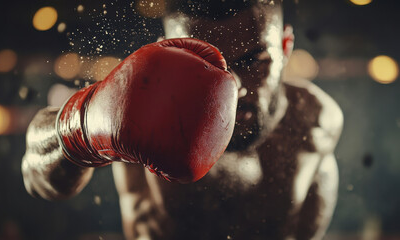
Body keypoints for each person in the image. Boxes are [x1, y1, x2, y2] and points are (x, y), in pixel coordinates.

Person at [22, 0, 343, 239]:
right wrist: (83, 124)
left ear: (285, 48)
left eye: (254, 62)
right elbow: (36, 178)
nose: (237, 87)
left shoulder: (313, 120)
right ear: (172, 49)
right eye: (211, 68)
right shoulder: (144, 105)